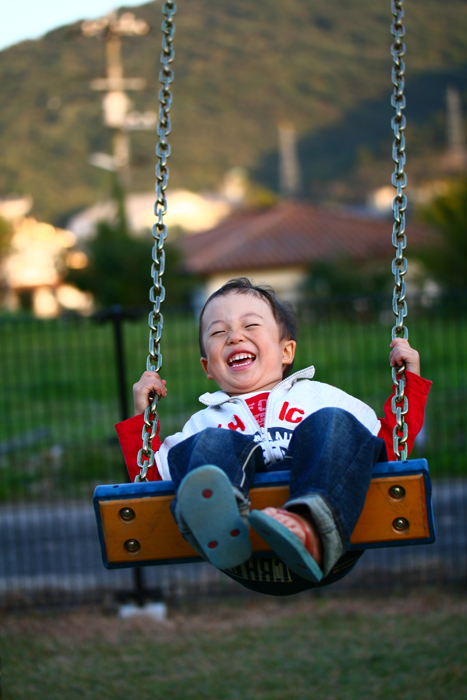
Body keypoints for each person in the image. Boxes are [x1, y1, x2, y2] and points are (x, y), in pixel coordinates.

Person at [117, 278, 431, 595]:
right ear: (207, 367)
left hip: (330, 541)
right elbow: (151, 484)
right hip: (245, 554)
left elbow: (386, 447)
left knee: (334, 422)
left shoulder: (319, 397)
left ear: (286, 351)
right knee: (205, 444)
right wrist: (143, 417)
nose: (234, 336)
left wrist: (409, 383)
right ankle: (219, 521)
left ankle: (309, 523)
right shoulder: (204, 422)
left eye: (250, 325)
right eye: (218, 332)